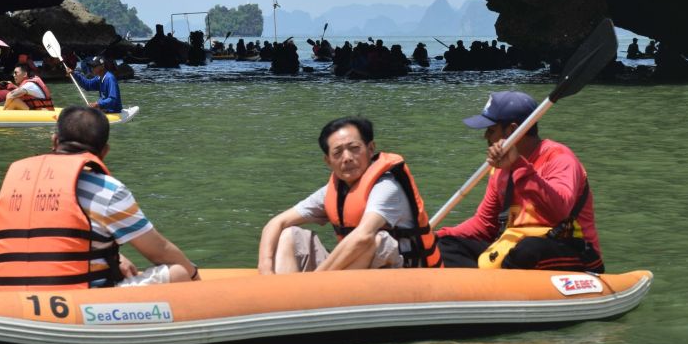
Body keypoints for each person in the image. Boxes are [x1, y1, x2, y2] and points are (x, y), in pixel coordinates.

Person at [0, 105, 199, 287]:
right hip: (80, 300)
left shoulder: (14, 179)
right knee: (179, 272)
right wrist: (194, 276)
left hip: (12, 293)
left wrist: (115, 257)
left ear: (55, 141)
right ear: (105, 151)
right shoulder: (107, 190)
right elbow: (159, 250)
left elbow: (48, 236)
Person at [436, 91, 603, 272]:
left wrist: (518, 165)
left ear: (513, 130)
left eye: (491, 130)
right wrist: (436, 235)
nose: (486, 137)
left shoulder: (560, 158)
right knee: (442, 246)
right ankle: (480, 289)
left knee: (528, 249)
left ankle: (499, 285)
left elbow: (558, 212)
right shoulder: (499, 170)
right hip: (515, 247)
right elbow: (484, 225)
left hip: (570, 250)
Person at [257, 117, 442, 274]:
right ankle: (282, 293)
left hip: (403, 275)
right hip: (348, 274)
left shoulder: (387, 187)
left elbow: (363, 236)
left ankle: (310, 292)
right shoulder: (334, 191)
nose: (347, 157)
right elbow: (276, 223)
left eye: (354, 148)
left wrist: (313, 280)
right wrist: (266, 269)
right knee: (290, 235)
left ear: (370, 149)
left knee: (377, 240)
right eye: (337, 152)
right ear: (328, 161)